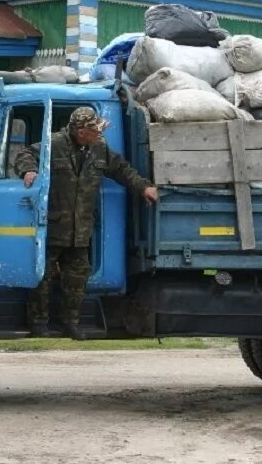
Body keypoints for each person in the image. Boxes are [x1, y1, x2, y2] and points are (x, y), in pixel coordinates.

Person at [15, 107, 158, 340]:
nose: (100, 133)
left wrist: (144, 187)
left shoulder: (99, 149)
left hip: (80, 230)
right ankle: (38, 324)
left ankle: (70, 323)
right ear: (81, 131)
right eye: (95, 129)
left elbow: (122, 170)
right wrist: (28, 171)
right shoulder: (54, 144)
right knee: (42, 278)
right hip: (52, 227)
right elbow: (25, 155)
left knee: (77, 280)